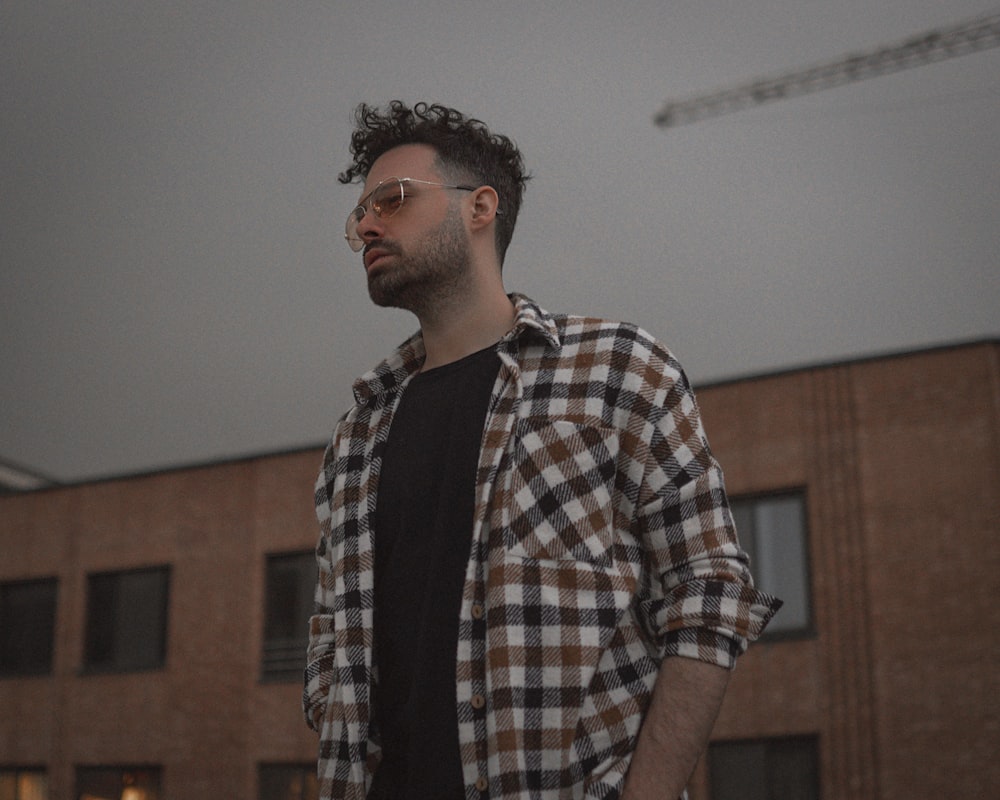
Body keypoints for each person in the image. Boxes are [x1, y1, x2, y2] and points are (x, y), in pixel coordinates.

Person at [303, 101, 781, 800]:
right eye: (359, 216)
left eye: (393, 200)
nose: (367, 224)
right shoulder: (358, 434)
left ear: (480, 208)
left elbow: (708, 594)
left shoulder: (618, 370)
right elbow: (331, 638)